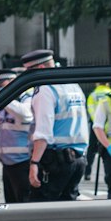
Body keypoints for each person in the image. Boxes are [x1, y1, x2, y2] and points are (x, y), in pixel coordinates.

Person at [24, 47, 89, 202]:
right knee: (68, 211)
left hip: (55, 162)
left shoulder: (46, 89)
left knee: (43, 211)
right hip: (78, 160)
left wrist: (34, 163)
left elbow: (43, 133)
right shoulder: (72, 85)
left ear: (40, 68)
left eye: (28, 72)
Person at [0, 68, 34, 203]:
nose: (3, 91)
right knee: (11, 204)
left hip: (23, 163)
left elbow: (26, 114)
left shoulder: (27, 98)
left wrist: (1, 96)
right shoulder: (6, 102)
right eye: (1, 87)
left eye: (4, 86)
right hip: (8, 164)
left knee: (24, 204)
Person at [85, 80, 111, 184]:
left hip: (96, 127)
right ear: (108, 83)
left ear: (96, 83)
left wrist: (98, 123)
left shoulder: (93, 95)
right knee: (108, 149)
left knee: (91, 150)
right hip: (110, 126)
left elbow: (91, 110)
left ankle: (87, 172)